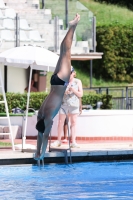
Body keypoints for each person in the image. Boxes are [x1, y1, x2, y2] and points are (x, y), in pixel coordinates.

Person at [34, 13, 80, 160]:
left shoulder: (47, 117)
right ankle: (72, 27)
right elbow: (40, 135)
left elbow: (44, 136)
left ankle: (73, 26)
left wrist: (41, 154)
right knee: (62, 50)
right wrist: (37, 151)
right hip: (54, 81)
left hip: (60, 83)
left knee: (66, 51)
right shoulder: (40, 114)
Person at [51, 69, 83, 148]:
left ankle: (73, 142)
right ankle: (58, 140)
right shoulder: (63, 81)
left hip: (74, 105)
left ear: (74, 73)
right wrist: (64, 91)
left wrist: (73, 90)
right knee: (60, 122)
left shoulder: (77, 81)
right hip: (64, 104)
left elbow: (80, 94)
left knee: (73, 122)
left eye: (70, 73)